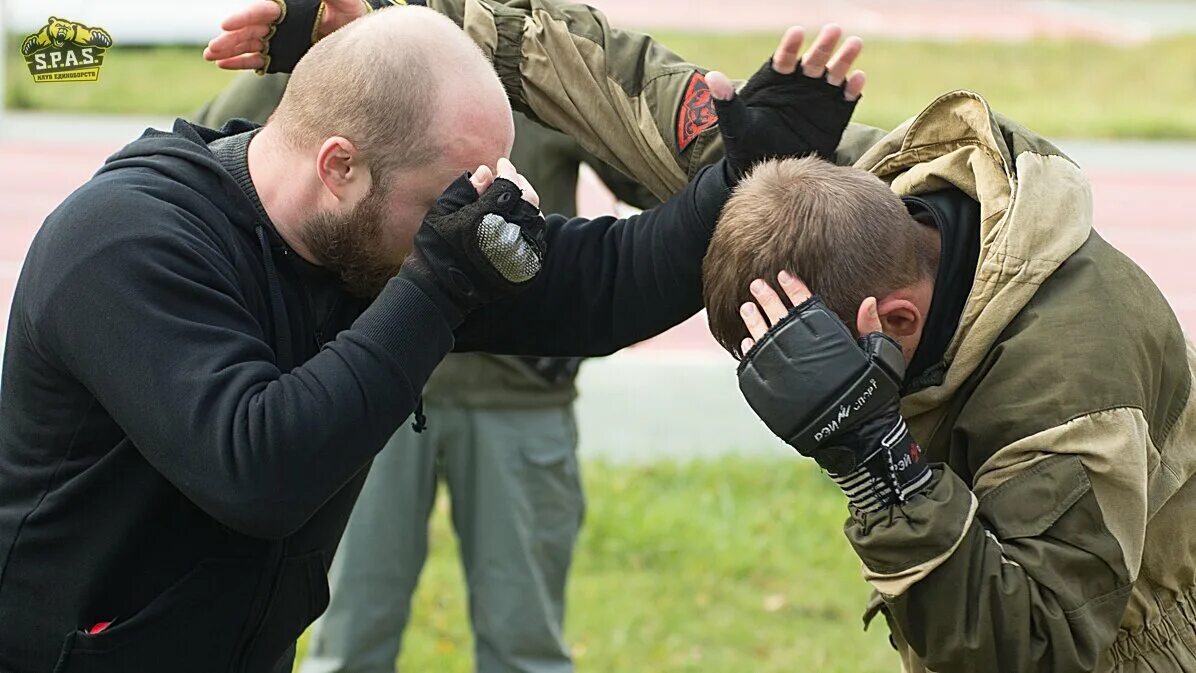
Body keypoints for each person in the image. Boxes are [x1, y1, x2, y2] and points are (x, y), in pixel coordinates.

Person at [0, 6, 865, 673]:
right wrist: (441, 279)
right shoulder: (125, 242)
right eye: (447, 195)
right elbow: (259, 467)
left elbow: (607, 285)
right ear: (340, 165)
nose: (469, 216)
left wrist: (743, 175)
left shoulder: (369, 239)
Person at [702, 102, 1196, 672]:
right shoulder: (883, 221)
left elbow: (1028, 649)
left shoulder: (1067, 388)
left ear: (897, 320)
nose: (802, 377)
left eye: (818, 357)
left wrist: (876, 459)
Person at [195, 73, 659, 673]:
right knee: (349, 636)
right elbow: (210, 163)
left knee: (525, 645)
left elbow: (650, 166)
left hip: (517, 393)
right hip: (366, 390)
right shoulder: (354, 42)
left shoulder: (535, 48)